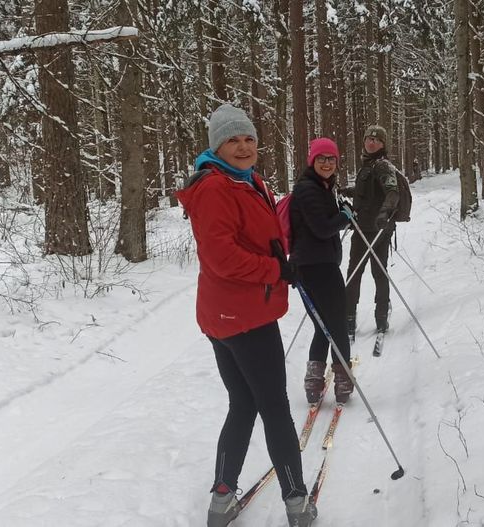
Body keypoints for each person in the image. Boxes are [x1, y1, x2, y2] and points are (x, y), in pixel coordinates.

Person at [174, 104, 316, 527]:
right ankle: (296, 502)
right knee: (273, 406)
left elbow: (257, 234)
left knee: (243, 402)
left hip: (226, 316)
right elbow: (222, 257)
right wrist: (276, 270)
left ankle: (221, 499)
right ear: (216, 145)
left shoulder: (245, 180)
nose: (242, 145)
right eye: (232, 139)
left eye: (248, 138)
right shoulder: (217, 187)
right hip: (244, 316)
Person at [289, 137, 355, 404]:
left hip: (312, 265)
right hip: (318, 267)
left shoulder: (322, 186)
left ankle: (314, 382)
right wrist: (345, 215)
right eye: (321, 159)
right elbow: (322, 228)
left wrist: (340, 211)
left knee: (322, 325)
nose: (327, 163)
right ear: (312, 161)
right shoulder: (308, 189)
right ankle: (342, 379)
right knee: (337, 324)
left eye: (331, 159)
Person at [341, 124, 399, 341]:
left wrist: (384, 214)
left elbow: (392, 193)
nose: (371, 142)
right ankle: (348, 318)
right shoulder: (367, 166)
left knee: (378, 272)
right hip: (360, 228)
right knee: (353, 273)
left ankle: (381, 316)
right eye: (368, 138)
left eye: (377, 140)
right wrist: (348, 191)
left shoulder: (383, 166)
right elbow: (367, 192)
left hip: (378, 230)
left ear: (383, 145)